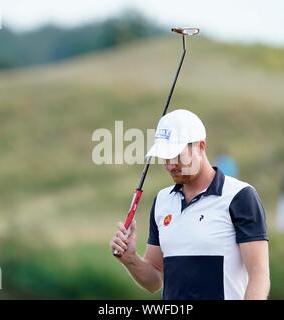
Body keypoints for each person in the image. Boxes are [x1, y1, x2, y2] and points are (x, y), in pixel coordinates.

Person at [110, 109, 270, 300]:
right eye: (165, 157)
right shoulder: (162, 201)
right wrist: (130, 259)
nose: (170, 165)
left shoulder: (239, 196)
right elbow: (156, 280)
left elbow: (258, 274)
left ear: (201, 147)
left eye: (177, 155)